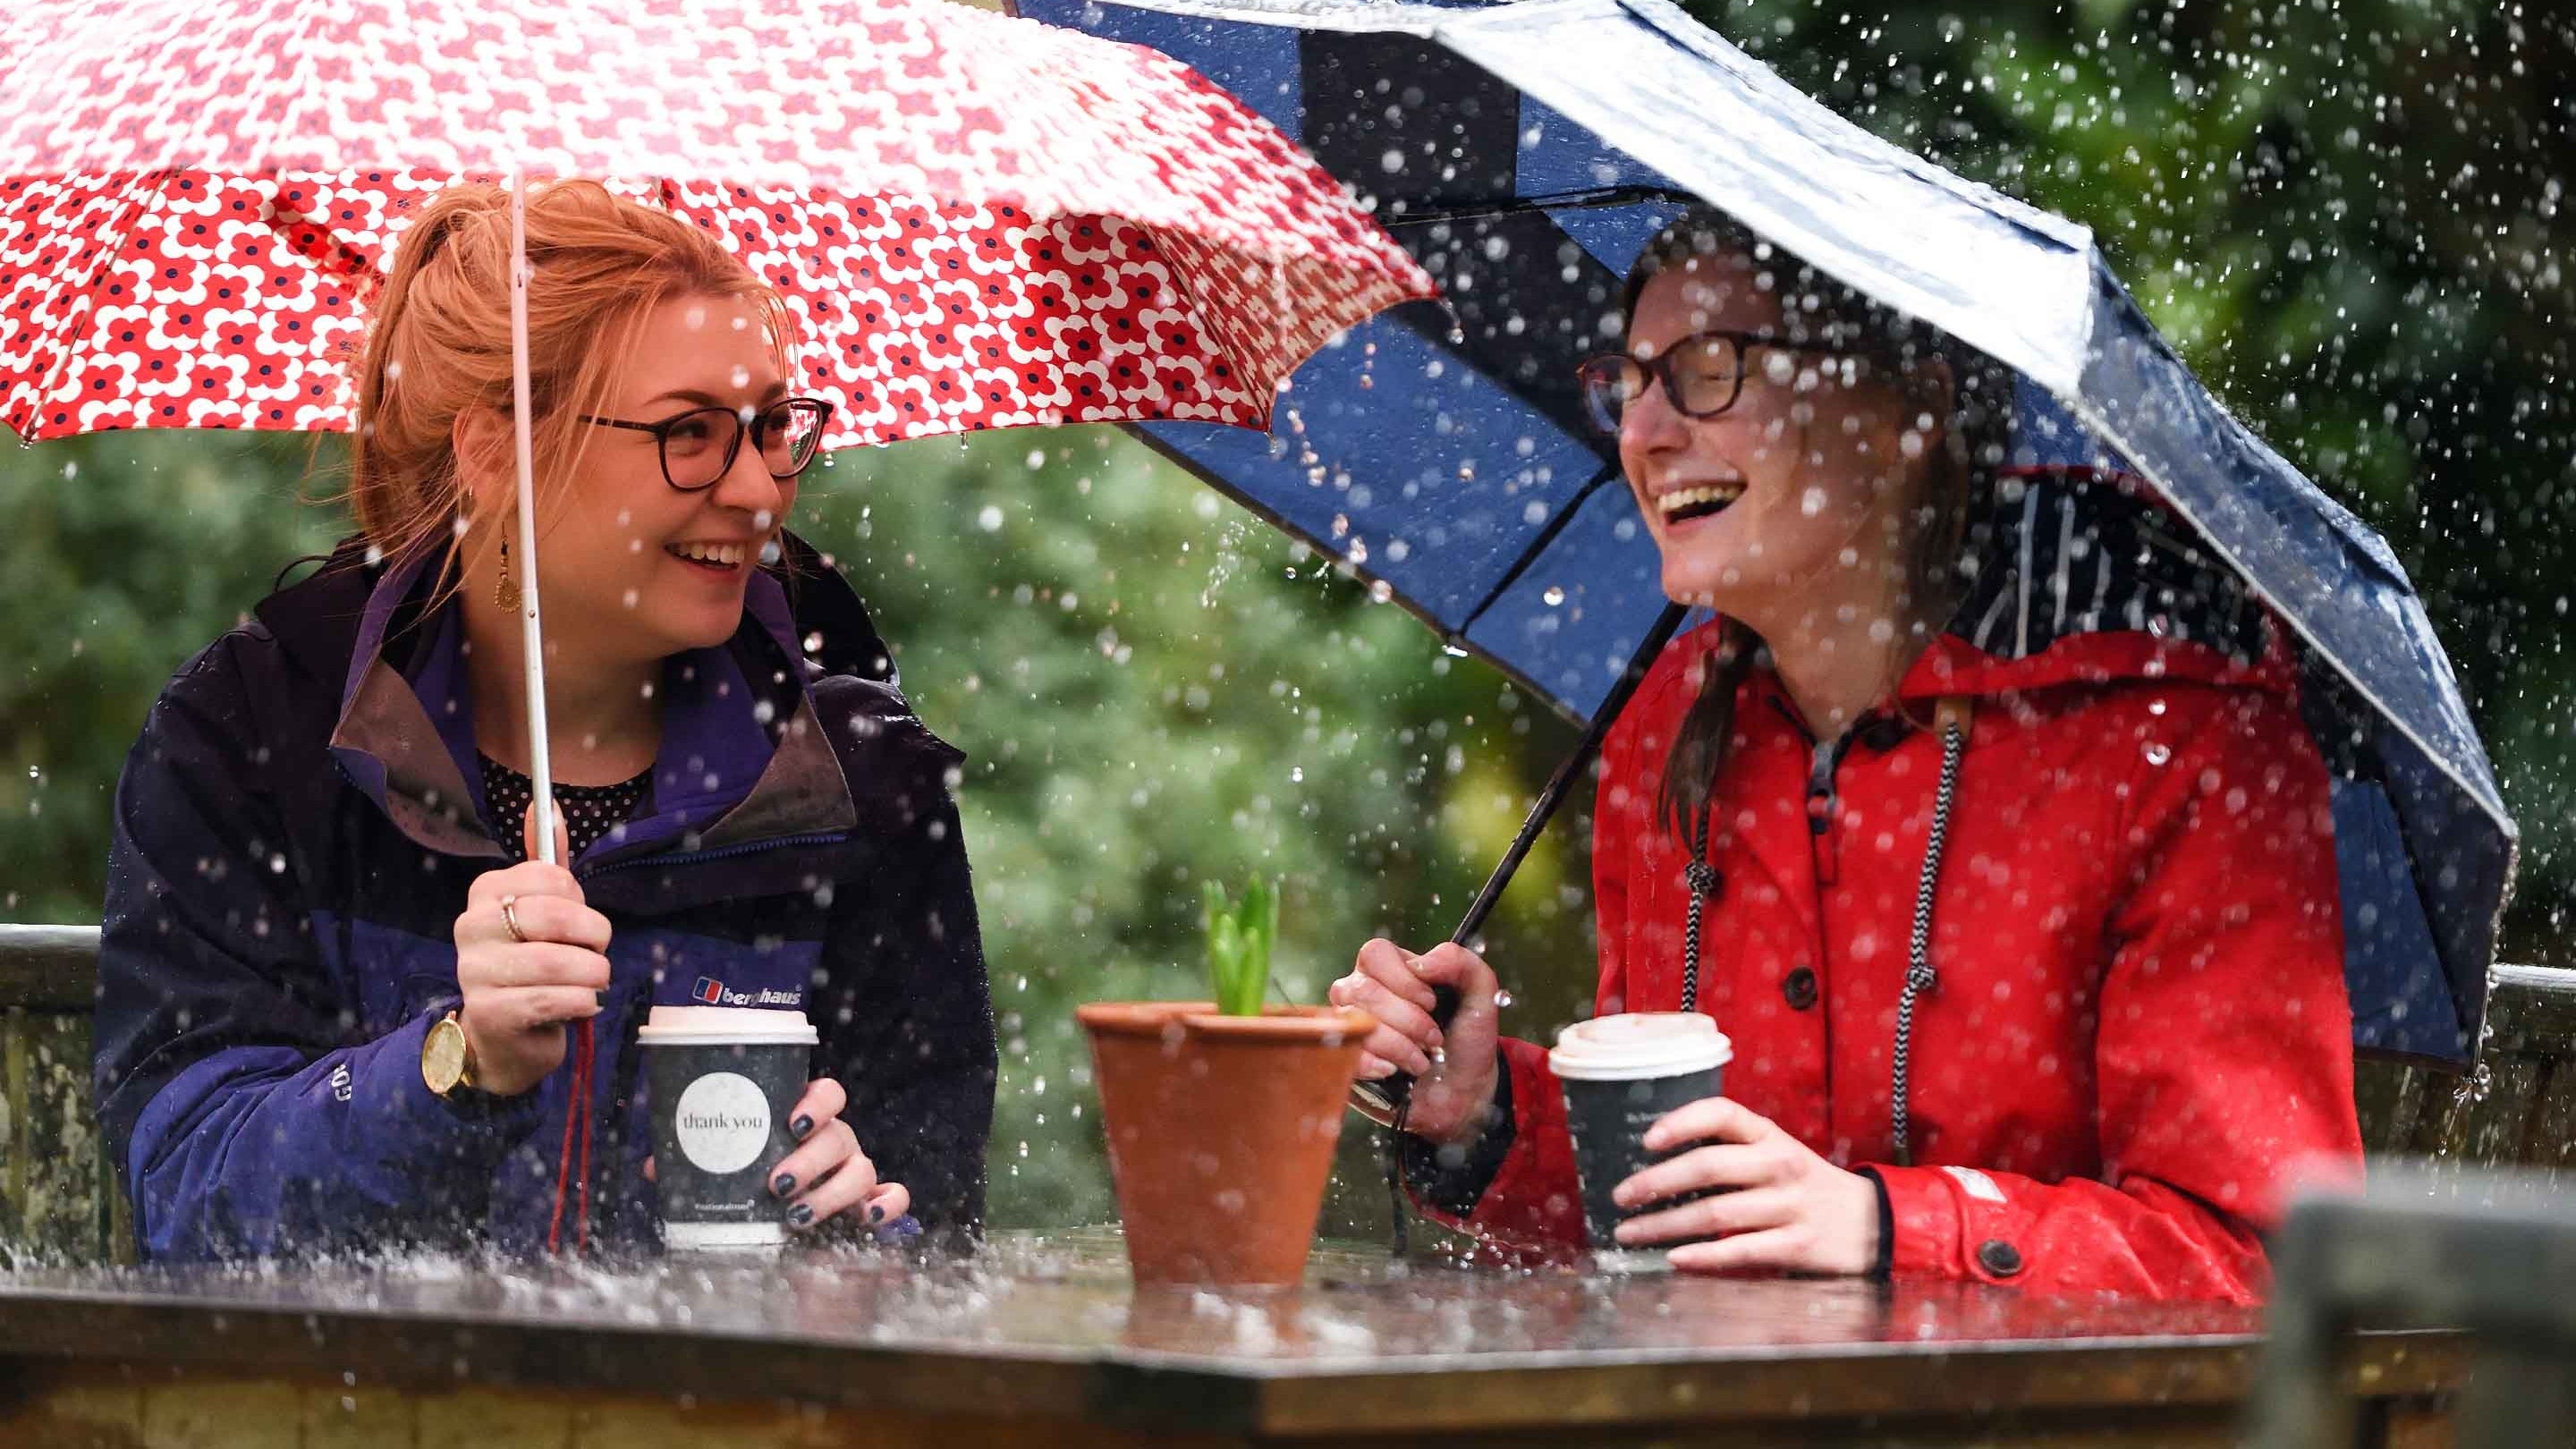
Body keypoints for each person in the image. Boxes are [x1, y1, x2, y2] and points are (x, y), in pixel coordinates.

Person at [1332, 210, 2362, 1303]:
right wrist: (1484, 1117)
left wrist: (1888, 1224)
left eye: (1709, 370)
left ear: (1903, 414)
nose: (1642, 432)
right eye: (1628, 381)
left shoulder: (2182, 743)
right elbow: (1667, 1216)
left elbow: (2266, 1263)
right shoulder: (1663, 739)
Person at [92, 181, 996, 1260]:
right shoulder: (252, 742)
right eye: (690, 434)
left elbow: (943, 1240)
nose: (759, 488)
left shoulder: (858, 788)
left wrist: (860, 1243)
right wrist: (451, 1063)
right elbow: (189, 1195)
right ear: (492, 451)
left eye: (770, 428)